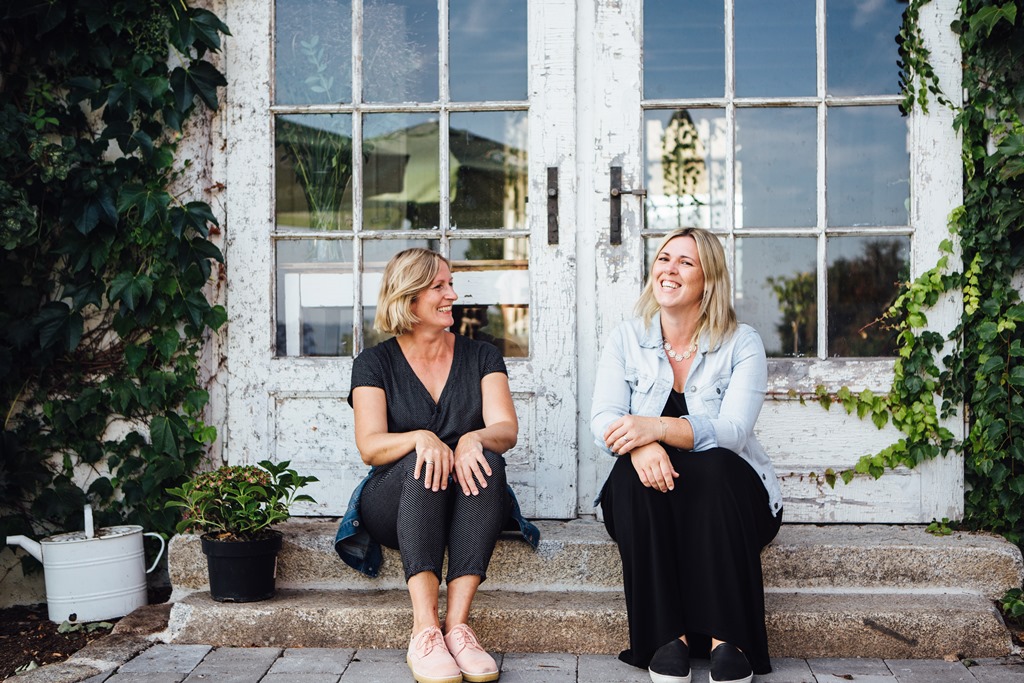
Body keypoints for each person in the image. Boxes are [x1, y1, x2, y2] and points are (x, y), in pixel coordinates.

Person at [334, 247, 539, 683]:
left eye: (450, 283)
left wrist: (472, 438)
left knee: (487, 459)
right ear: (409, 298)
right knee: (422, 463)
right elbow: (370, 447)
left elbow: (505, 428)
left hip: (466, 502)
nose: (453, 294)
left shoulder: (482, 356)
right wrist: (420, 439)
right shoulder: (374, 363)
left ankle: (458, 628)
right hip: (396, 501)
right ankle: (424, 630)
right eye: (439, 286)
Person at [591, 228, 783, 683]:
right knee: (629, 474)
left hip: (729, 504)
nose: (669, 270)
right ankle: (665, 640)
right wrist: (640, 445)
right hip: (652, 500)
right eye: (663, 258)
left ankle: (728, 640)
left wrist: (652, 427)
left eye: (685, 262)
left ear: (709, 280)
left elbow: (733, 432)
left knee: (715, 466)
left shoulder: (742, 342)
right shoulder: (626, 338)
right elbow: (603, 421)